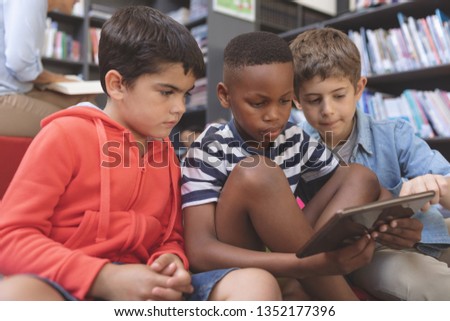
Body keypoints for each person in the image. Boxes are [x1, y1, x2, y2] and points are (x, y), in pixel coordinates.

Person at [0, 6, 282, 301]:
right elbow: (10, 238)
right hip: (70, 287)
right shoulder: (64, 136)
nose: (180, 108)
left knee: (255, 284)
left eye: (184, 94)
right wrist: (103, 277)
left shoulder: (167, 155)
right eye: (166, 92)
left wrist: (172, 261)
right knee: (15, 295)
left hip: (146, 290)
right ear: (117, 85)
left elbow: (169, 237)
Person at [180, 31, 398, 301]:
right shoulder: (209, 148)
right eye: (258, 103)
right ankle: (346, 304)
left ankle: (306, 281)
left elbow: (361, 187)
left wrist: (391, 222)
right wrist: (305, 265)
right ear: (225, 96)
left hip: (290, 252)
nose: (274, 116)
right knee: (258, 172)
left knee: (360, 176)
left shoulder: (293, 137)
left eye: (284, 101)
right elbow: (199, 251)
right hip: (244, 263)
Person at [290, 27, 450, 300]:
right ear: (296, 101)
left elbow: (445, 185)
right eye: (314, 100)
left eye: (338, 95)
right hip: (367, 253)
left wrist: (438, 185)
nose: (327, 110)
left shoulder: (393, 133)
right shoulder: (293, 149)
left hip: (431, 232)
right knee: (431, 284)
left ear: (359, 89)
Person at [0, 0, 96, 138]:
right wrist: (57, 78)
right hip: (5, 94)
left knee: (85, 102)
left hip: (17, 87)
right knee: (81, 124)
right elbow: (21, 65)